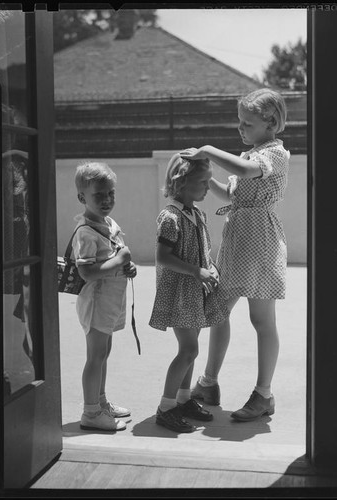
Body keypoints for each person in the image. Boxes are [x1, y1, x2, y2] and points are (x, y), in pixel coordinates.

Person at [180, 88, 290, 421]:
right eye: (240, 122)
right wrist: (204, 173)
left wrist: (209, 150)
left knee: (261, 320)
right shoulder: (254, 152)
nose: (241, 128)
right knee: (217, 311)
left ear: (271, 122)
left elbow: (245, 172)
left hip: (260, 244)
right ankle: (208, 383)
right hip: (238, 242)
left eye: (248, 123)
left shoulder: (273, 153)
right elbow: (230, 190)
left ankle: (263, 394)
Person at [149, 154, 229, 433]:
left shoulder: (196, 213)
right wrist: (197, 272)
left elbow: (202, 251)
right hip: (180, 293)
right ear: (181, 183)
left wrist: (210, 268)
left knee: (191, 350)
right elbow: (163, 257)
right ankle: (166, 407)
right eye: (203, 182)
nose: (208, 188)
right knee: (189, 349)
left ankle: (183, 399)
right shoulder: (170, 217)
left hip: (195, 292)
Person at [72, 161, 137, 431]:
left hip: (111, 302)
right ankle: (90, 412)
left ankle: (100, 402)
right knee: (95, 356)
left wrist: (126, 266)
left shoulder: (109, 223)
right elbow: (87, 272)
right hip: (97, 302)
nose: (107, 199)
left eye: (111, 193)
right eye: (99, 195)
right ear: (82, 198)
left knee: (104, 352)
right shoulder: (86, 232)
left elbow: (115, 259)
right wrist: (120, 259)